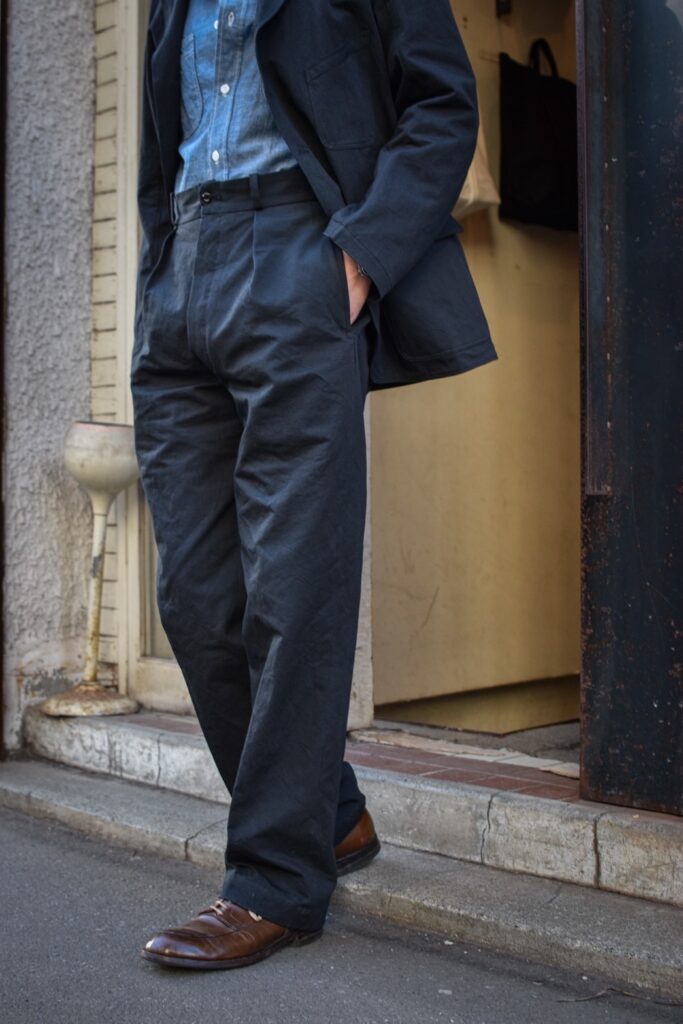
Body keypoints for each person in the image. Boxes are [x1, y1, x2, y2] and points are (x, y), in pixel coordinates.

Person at [132, 0, 496, 971]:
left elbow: (440, 104)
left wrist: (359, 254)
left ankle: (273, 882)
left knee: (294, 589)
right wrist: (159, 272)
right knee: (195, 597)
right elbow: (162, 135)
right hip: (182, 274)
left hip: (296, 249)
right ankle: (329, 817)